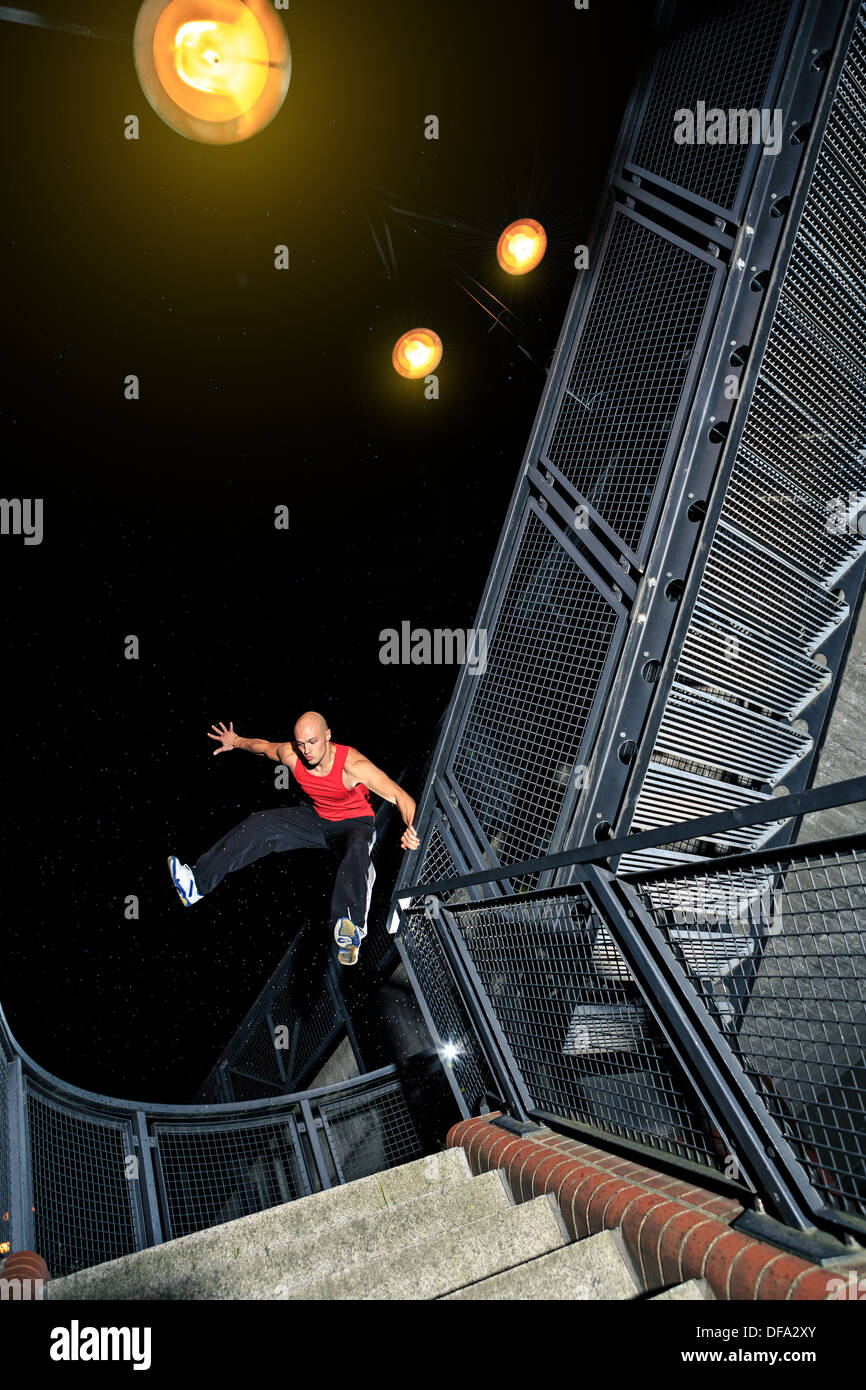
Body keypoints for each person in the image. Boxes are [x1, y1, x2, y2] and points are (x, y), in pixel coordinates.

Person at [168, 711, 419, 965]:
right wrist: (236, 741)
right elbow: (263, 748)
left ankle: (350, 928)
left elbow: (400, 796)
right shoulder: (292, 754)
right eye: (301, 744)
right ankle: (196, 884)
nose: (306, 751)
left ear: (328, 736)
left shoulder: (352, 764)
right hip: (317, 818)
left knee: (357, 849)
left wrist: (411, 827)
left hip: (354, 824)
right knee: (260, 823)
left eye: (312, 742)